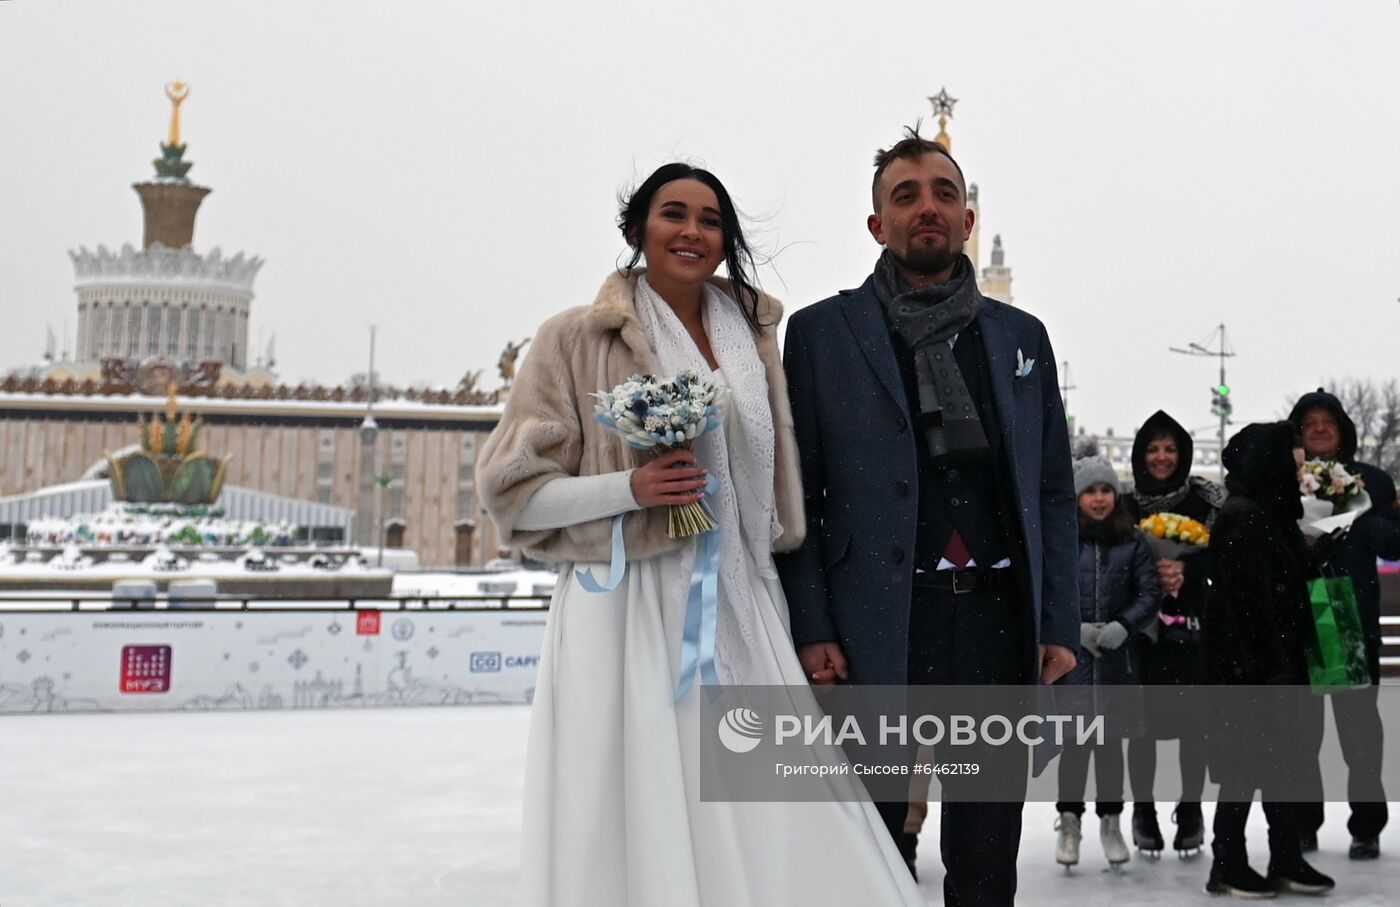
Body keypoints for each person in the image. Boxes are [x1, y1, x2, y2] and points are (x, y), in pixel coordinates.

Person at [476, 163, 923, 906]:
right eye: (672, 214)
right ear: (636, 231)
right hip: (632, 605)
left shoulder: (753, 335)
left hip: (748, 596)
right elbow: (514, 496)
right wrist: (631, 488)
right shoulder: (575, 339)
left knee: (789, 803)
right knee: (650, 804)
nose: (692, 231)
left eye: (710, 219)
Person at [775, 125, 1080, 906]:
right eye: (904, 196)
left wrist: (1058, 625)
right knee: (871, 843)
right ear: (877, 224)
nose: (928, 208)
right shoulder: (820, 334)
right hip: (877, 623)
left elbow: (1049, 489)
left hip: (994, 623)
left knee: (985, 851)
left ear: (968, 219)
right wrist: (811, 624)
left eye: (945, 194)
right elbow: (797, 492)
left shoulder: (1021, 338)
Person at [1205, 422, 1334, 899]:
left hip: (1276, 666)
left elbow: (1277, 583)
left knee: (1285, 767)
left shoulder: (1269, 512)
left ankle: (1285, 857)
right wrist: (1261, 669)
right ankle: (1228, 863)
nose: (1299, 473)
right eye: (1292, 463)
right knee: (1243, 770)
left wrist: (1315, 555)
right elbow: (1246, 604)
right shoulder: (1246, 516)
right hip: (1254, 675)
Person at [1287, 388, 1400, 859]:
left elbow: (1393, 546)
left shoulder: (1370, 479)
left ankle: (1367, 825)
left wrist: (1354, 507)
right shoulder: (1281, 480)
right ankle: (1302, 822)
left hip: (1344, 614)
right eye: (1308, 422)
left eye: (1326, 420)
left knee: (1359, 734)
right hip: (1296, 615)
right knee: (1301, 735)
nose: (1318, 428)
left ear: (1343, 429)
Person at [1122, 411, 1225, 857]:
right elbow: (1103, 563)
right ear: (1140, 456)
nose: (1162, 457)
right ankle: (1143, 810)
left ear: (1182, 455)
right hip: (1141, 635)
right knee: (1141, 727)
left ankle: (1190, 809)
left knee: (1193, 728)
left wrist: (1188, 570)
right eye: (1153, 449)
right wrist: (1147, 575)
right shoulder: (1123, 506)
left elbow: (1225, 561)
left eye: (1170, 449)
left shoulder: (1206, 506)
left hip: (1192, 633)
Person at [1053, 456, 1160, 870]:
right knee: (1076, 747)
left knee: (1111, 746)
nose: (1099, 499)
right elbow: (1051, 590)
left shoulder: (1132, 543)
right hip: (1075, 665)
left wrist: (1122, 625)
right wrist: (1072, 628)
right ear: (1077, 497)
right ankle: (1068, 821)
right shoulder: (1064, 541)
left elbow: (1149, 594)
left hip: (1118, 665)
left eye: (1105, 491)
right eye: (1090, 491)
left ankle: (1111, 821)